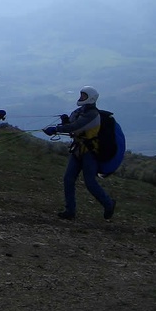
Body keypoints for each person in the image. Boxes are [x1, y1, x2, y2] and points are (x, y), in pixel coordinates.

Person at [43, 87, 116, 220]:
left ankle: (109, 203)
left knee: (90, 182)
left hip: (90, 153)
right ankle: (70, 211)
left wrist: (56, 129)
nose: (81, 97)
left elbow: (75, 127)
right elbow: (72, 124)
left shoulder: (92, 114)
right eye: (81, 95)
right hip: (78, 150)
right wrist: (65, 121)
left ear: (91, 98)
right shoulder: (80, 111)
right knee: (68, 179)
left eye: (83, 96)